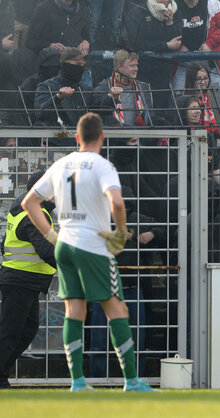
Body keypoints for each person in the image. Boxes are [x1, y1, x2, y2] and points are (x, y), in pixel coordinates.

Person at [21, 112, 158, 392]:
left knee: (74, 310)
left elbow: (29, 202)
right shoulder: (102, 164)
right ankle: (131, 381)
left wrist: (51, 234)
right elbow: (117, 203)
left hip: (65, 245)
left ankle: (78, 382)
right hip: (92, 246)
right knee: (117, 308)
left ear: (77, 137)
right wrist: (120, 233)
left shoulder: (62, 164)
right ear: (102, 138)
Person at [0, 170, 56, 389]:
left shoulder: (19, 211)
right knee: (11, 332)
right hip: (20, 282)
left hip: (23, 282)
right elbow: (45, 250)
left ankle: (2, 373)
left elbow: (6, 243)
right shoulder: (35, 214)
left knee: (24, 331)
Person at [93, 50, 156, 127]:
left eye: (136, 65)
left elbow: (149, 117)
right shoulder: (103, 87)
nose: (136, 69)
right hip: (115, 136)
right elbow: (97, 113)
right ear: (119, 67)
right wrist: (110, 98)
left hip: (139, 135)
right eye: (132, 66)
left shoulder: (144, 87)